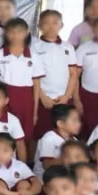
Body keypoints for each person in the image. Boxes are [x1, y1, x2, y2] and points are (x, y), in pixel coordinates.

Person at [0, 17, 43, 151]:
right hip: (5, 96)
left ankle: (23, 164)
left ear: (26, 33)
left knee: (26, 132)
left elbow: (36, 84)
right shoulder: (0, 55)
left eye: (19, 32)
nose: (15, 35)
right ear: (6, 34)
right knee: (4, 129)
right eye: (11, 32)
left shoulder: (33, 56)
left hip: (26, 97)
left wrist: (35, 110)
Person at [32, 9, 78, 138]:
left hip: (63, 98)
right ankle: (37, 158)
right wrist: (43, 97)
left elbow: (73, 74)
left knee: (65, 132)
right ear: (39, 26)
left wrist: (66, 97)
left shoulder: (67, 47)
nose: (51, 26)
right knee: (40, 133)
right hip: (43, 99)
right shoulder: (35, 47)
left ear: (61, 26)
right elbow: (33, 76)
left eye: (55, 23)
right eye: (46, 23)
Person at [34, 104, 80, 175]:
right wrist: (67, 159)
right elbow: (46, 165)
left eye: (78, 120)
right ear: (60, 124)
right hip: (44, 179)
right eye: (74, 121)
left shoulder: (75, 141)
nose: (79, 124)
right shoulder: (49, 138)